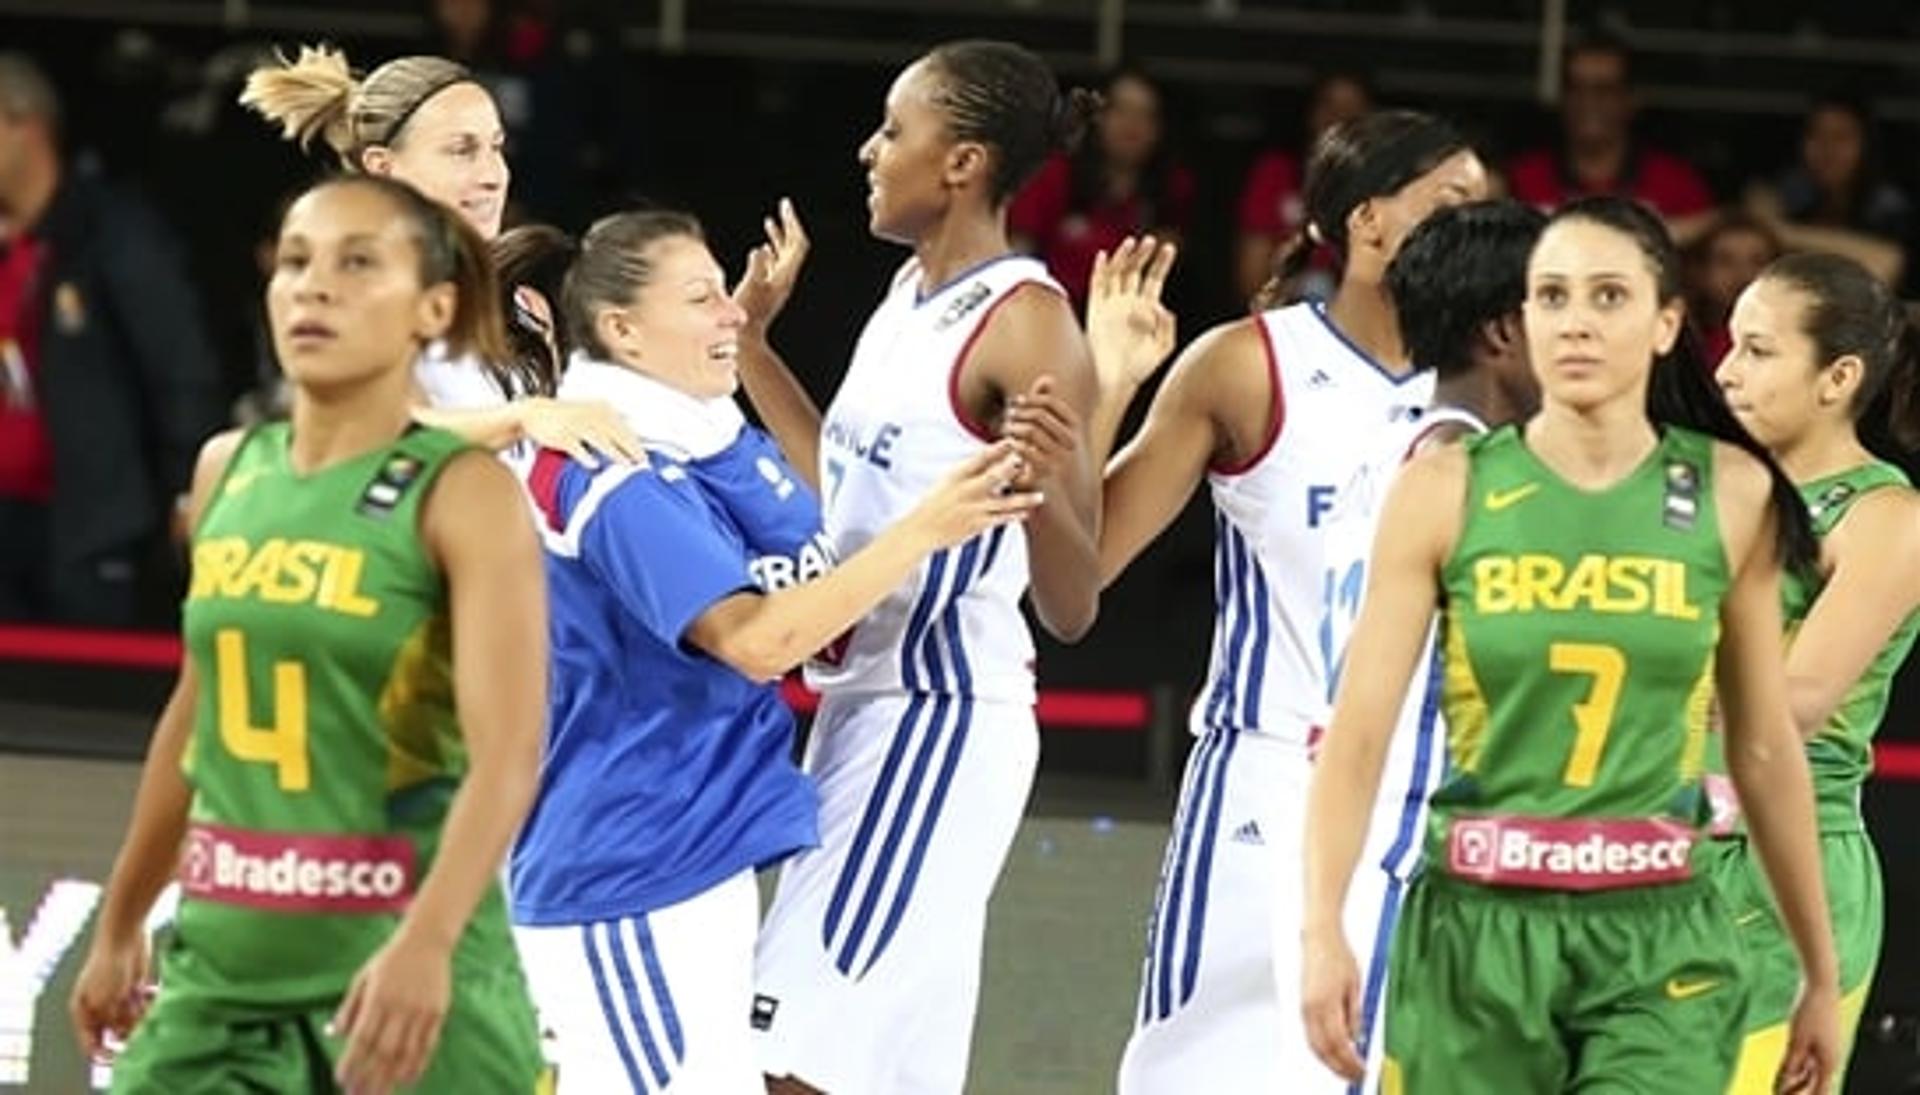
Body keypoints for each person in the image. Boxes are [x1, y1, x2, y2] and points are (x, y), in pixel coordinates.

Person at [1299, 195, 1843, 1094]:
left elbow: (1760, 744)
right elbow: (1357, 733)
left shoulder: (1733, 492)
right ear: (1519, 323)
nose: (1576, 323)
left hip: (1659, 926)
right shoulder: (1443, 487)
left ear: (1668, 322)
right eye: (1551, 297)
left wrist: (1816, 970)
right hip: (1479, 927)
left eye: (1607, 296)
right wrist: (1322, 927)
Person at [501, 208, 1041, 1092]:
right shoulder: (609, 467)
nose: (728, 312)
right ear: (623, 329)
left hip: (699, 855)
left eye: (724, 290)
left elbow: (816, 547)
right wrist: (928, 528)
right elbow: (756, 639)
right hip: (624, 868)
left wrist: (747, 344)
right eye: (702, 297)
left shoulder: (710, 436)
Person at [1027, 109, 1486, 1094]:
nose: (1478, 227)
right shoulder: (1248, 364)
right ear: (1367, 222)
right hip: (1267, 783)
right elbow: (1078, 571)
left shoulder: (1498, 386)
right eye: (1454, 203)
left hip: (1429, 800)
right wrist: (1106, 384)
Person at [67, 174, 547, 1094]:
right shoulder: (227, 470)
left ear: (433, 308)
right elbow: (197, 714)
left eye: (358, 263)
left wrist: (430, 941)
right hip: (222, 974)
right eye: (296, 262)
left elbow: (508, 754)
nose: (313, 287)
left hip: (397, 971)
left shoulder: (464, 492)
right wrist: (121, 922)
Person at [734, 39, 1106, 1095]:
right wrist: (757, 351)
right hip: (863, 713)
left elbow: (1075, 603)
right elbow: (850, 504)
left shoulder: (1028, 321)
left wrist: (1039, 478)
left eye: (895, 128)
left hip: (938, 719)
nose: (869, 148)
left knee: (781, 1060)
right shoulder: (907, 293)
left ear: (963, 162)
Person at [1301, 197, 1548, 1085]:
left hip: (1378, 856)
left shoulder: (1386, 441)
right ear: (1501, 333)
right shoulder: (1469, 480)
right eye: (1554, 303)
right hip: (1422, 865)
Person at [1710, 251, 1920, 1092]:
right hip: (1657, 846)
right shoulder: (1714, 490)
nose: (1726, 371)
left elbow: (1793, 703)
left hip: (1783, 870)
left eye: (1758, 351)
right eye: (1729, 344)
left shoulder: (1888, 515)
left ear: (1838, 377)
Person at [240, 43, 634, 461]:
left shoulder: (524, 308)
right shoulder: (352, 298)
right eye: (462, 150)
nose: (492, 175)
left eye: (497, 147)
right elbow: (369, 426)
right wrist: (523, 416)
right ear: (382, 167)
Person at [0, 51, 226, 626]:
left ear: (24, 124)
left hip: (89, 532)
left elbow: (181, 368)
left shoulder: (115, 232)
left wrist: (186, 489)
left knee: (77, 708)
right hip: (8, 522)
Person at [1008, 63, 1194, 311]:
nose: (1132, 125)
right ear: (1097, 118)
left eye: (1146, 115)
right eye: (1121, 110)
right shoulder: (1052, 174)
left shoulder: (1174, 185)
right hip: (1046, 313)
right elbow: (1017, 258)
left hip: (1129, 319)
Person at [1506, 36, 1713, 237]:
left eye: (1604, 90)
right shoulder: (1522, 180)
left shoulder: (1678, 185)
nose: (1588, 102)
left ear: (1632, 99)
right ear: (1562, 97)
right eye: (1576, 88)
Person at [1234, 69, 1375, 305]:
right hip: (1283, 311)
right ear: (1312, 113)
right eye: (1330, 107)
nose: (1338, 119)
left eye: (1351, 110)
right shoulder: (1276, 172)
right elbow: (1251, 276)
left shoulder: (1387, 184)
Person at [1744, 95, 1910, 288]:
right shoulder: (1798, 204)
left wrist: (1775, 229)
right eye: (1815, 135)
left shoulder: (1895, 214)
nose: (1827, 149)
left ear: (1867, 147)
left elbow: (1888, 265)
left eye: (1841, 137)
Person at [1688, 213, 1783, 366]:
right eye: (1725, 261)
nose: (1743, 275)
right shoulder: (1680, 345)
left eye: (1757, 261)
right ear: (1701, 273)